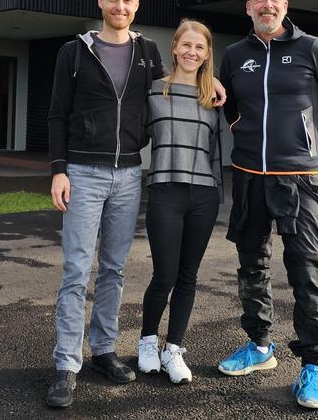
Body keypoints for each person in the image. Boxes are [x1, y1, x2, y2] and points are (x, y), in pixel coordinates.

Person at [44, 0, 227, 408]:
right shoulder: (74, 52)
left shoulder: (146, 52)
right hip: (83, 172)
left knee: (114, 269)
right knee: (76, 270)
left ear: (137, 5)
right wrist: (58, 171)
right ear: (101, 1)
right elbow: (56, 114)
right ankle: (66, 365)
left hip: (129, 174)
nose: (121, 6)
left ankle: (103, 351)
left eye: (128, 0)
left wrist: (212, 80)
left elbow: (174, 85)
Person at [215, 0, 318, 410]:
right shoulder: (235, 55)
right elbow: (230, 107)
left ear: (285, 5)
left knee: (306, 270)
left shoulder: (311, 47)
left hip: (299, 180)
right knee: (251, 263)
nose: (267, 5)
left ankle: (312, 367)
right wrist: (243, 132)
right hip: (248, 176)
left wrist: (310, 145)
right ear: (248, 7)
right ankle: (259, 347)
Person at [137, 20, 223, 385]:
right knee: (164, 275)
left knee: (188, 276)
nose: (192, 52)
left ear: (206, 55)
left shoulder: (214, 99)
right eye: (186, 45)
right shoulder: (154, 91)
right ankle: (147, 341)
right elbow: (132, 134)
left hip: (203, 195)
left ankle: (174, 348)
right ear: (174, 48)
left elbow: (216, 152)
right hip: (164, 191)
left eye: (199, 48)